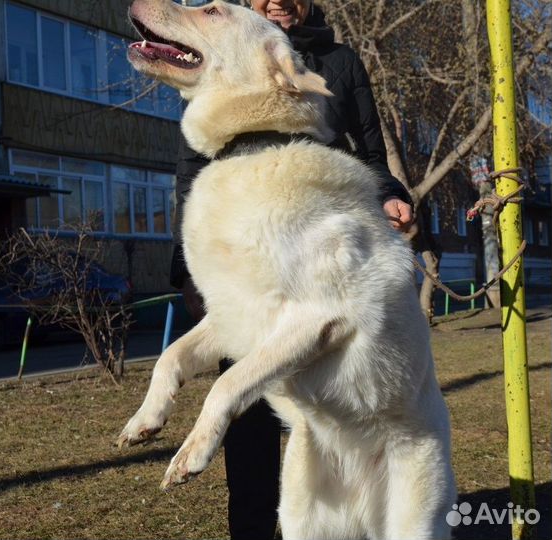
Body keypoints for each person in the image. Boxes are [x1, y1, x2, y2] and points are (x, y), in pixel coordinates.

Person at [170, 1, 414, 538]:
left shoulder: (341, 61)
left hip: (321, 267)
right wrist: (186, 273)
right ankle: (252, 529)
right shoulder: (220, 51)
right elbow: (192, 168)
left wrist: (391, 194)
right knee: (251, 426)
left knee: (325, 423)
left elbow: (372, 153)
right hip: (245, 266)